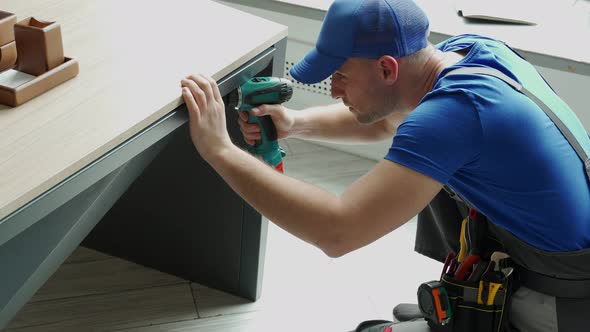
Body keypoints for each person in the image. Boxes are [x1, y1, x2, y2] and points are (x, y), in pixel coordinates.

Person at [180, 0, 590, 331]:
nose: (334, 89)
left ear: (387, 68)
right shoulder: (467, 53)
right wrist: (295, 123)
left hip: (560, 300)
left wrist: (220, 149)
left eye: (340, 75)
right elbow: (390, 122)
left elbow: (337, 230)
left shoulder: (457, 114)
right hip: (548, 258)